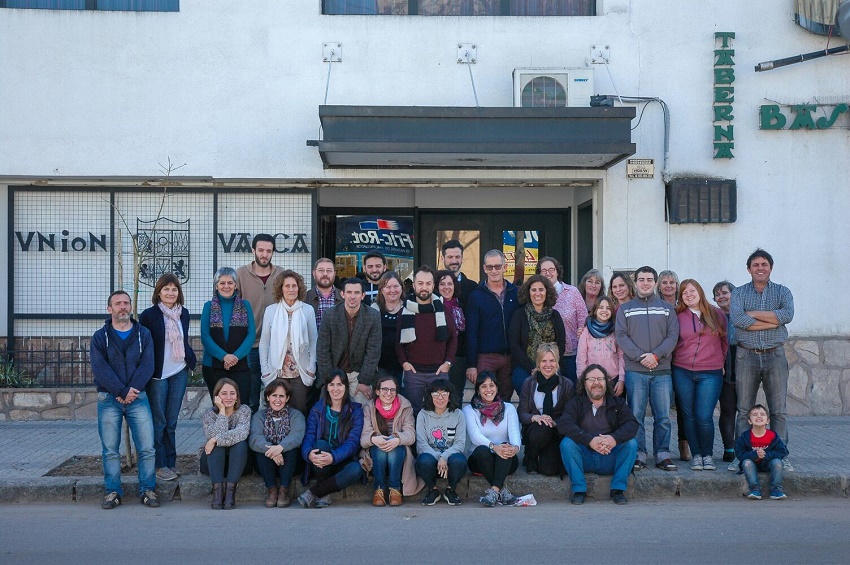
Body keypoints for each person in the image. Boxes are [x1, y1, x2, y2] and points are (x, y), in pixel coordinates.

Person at [90, 290, 158, 509]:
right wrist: (120, 390)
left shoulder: (143, 334)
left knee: (147, 447)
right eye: (118, 303)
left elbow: (148, 365)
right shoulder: (99, 337)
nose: (123, 307)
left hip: (138, 397)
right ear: (109, 309)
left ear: (131, 307)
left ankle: (148, 489)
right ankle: (113, 492)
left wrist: (132, 390)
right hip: (108, 399)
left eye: (126, 303)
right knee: (110, 449)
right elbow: (100, 369)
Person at [731, 248, 794, 471]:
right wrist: (772, 320)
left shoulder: (782, 291)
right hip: (746, 354)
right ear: (749, 269)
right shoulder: (738, 293)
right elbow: (738, 319)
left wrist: (753, 314)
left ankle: (780, 456)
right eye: (755, 265)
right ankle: (742, 457)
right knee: (743, 408)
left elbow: (787, 315)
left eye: (764, 264)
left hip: (774, 354)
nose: (760, 268)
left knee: (778, 410)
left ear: (770, 268)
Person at [615, 266, 679, 472]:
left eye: (649, 279)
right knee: (636, 415)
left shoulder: (667, 309)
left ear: (655, 283)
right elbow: (622, 337)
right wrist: (642, 357)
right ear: (635, 283)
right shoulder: (625, 309)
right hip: (636, 371)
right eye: (641, 279)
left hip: (661, 371)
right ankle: (639, 453)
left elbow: (672, 336)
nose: (645, 283)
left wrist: (656, 355)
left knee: (663, 417)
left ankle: (663, 453)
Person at [139, 273, 197, 483]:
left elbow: (184, 339)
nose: (171, 293)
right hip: (158, 375)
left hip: (178, 372)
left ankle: (171, 463)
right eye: (166, 289)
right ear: (158, 292)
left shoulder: (184, 314)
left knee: (171, 421)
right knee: (159, 421)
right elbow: (144, 346)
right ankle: (159, 464)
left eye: (174, 289)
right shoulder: (148, 315)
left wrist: (190, 359)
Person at [557, 365, 639, 505]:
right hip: (585, 457)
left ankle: (617, 490)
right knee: (567, 444)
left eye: (600, 379)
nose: (596, 383)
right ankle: (579, 490)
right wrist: (590, 440)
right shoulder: (576, 402)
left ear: (606, 382)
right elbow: (565, 424)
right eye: (591, 379)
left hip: (610, 456)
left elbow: (632, 424)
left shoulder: (617, 403)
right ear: (584, 383)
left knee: (631, 443)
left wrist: (613, 439)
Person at [672, 279, 728, 471]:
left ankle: (707, 455)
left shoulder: (716, 313)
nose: (689, 295)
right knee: (688, 415)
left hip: (710, 372)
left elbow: (724, 341)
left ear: (699, 292)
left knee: (703, 415)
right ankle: (696, 455)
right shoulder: (677, 316)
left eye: (692, 291)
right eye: (684, 293)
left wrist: (720, 362)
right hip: (682, 371)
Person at [298, 370, 365, 509]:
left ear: (346, 387)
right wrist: (308, 454)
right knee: (320, 444)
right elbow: (309, 436)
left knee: (356, 470)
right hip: (321, 461)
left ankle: (316, 492)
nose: (336, 389)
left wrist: (333, 457)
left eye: (339, 385)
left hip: (342, 459)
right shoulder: (317, 409)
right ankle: (324, 492)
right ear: (326, 387)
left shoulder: (355, 411)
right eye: (332, 384)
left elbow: (353, 443)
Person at [396, 266, 457, 414]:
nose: (424, 287)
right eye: (420, 283)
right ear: (414, 285)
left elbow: (453, 338)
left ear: (433, 286)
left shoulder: (442, 309)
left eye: (428, 283)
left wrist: (448, 363)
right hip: (413, 374)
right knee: (412, 412)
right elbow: (398, 342)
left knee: (440, 412)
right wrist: (404, 363)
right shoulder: (405, 310)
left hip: (439, 372)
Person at [258, 270, 317, 415]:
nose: (291, 289)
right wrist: (265, 369)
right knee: (276, 411)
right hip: (277, 371)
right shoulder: (271, 311)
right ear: (281, 289)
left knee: (299, 411)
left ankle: (298, 438)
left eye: (294, 286)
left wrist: (311, 367)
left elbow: (314, 340)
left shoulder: (307, 310)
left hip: (300, 372)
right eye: (287, 286)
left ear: (299, 288)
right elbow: (264, 342)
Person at [236, 234, 284, 413]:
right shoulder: (240, 274)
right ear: (253, 250)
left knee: (276, 393)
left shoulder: (281, 274)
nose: (265, 254)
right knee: (251, 394)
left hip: (276, 344)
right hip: (250, 344)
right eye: (261, 250)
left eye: (269, 251)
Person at [316, 277, 382, 405]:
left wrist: (364, 381)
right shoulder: (329, 315)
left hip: (359, 374)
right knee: (328, 411)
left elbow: (373, 352)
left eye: (357, 293)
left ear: (363, 295)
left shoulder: (373, 316)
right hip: (335, 371)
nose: (353, 296)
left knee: (363, 410)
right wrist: (330, 380)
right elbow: (322, 350)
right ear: (342, 294)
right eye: (349, 292)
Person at [465, 250, 520, 401]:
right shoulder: (476, 296)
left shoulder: (516, 293)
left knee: (505, 399)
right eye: (490, 267)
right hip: (485, 357)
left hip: (510, 357)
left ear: (505, 267)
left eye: (497, 266)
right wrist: (471, 364)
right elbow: (471, 332)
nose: (494, 270)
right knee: (484, 399)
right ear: (484, 268)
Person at [360, 375, 423, 507]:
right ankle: (379, 489)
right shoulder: (369, 408)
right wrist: (373, 439)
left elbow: (411, 435)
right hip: (376, 455)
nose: (389, 393)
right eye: (384, 389)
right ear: (377, 391)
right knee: (379, 449)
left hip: (399, 455)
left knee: (396, 447)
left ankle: (395, 490)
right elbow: (364, 439)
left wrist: (397, 439)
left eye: (392, 390)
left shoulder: (405, 406)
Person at [463, 371, 521, 507]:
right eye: (484, 386)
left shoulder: (509, 408)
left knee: (506, 445)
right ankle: (503, 492)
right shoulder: (469, 410)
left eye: (492, 385)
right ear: (478, 390)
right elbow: (475, 436)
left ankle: (495, 491)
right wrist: (494, 447)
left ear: (497, 388)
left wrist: (515, 448)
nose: (488, 390)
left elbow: (514, 433)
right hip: (479, 461)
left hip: (506, 460)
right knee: (482, 449)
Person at [201, 267, 256, 405]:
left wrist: (235, 357)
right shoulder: (208, 306)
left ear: (236, 285)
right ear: (216, 286)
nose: (226, 286)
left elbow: (251, 334)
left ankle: (240, 428)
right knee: (220, 406)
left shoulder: (245, 305)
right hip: (213, 367)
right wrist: (224, 356)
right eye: (222, 283)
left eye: (230, 283)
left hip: (241, 365)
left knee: (241, 405)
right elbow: (205, 336)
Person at [517, 343, 575, 475]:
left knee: (549, 470)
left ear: (557, 362)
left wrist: (555, 422)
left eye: (552, 360)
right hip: (534, 430)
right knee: (542, 427)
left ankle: (544, 455)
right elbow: (522, 413)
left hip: (556, 431)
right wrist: (535, 417)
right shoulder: (529, 383)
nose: (548, 365)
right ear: (538, 363)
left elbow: (570, 415)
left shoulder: (567, 385)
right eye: (544, 361)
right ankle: (531, 456)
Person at [249, 378, 306, 508]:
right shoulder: (259, 416)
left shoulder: (296, 415)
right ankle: (272, 490)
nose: (277, 399)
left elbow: (297, 436)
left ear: (287, 398)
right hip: (266, 465)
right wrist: (273, 451)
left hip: (291, 464)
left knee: (291, 449)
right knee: (261, 450)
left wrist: (280, 448)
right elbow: (255, 438)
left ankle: (284, 491)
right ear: (268, 397)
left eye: (281, 396)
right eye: (274, 395)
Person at [508, 274, 566, 396]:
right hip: (525, 367)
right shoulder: (519, 315)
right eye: (533, 290)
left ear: (547, 292)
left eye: (541, 289)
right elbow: (514, 345)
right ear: (528, 293)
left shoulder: (555, 316)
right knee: (524, 386)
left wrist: (548, 365)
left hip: (551, 366)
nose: (537, 293)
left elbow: (561, 343)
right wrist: (533, 368)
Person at [200, 378, 251, 510]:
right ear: (217, 396)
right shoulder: (209, 414)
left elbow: (242, 433)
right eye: (224, 393)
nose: (228, 397)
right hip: (213, 463)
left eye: (232, 393)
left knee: (240, 445)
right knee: (217, 447)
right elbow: (212, 434)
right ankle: (217, 494)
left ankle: (230, 494)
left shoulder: (244, 410)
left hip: (238, 464)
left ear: (237, 396)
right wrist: (222, 411)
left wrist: (214, 439)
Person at [415, 379, 467, 506]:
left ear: (450, 397)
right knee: (423, 461)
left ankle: (451, 490)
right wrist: (439, 457)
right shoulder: (423, 415)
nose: (440, 398)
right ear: (430, 397)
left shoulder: (458, 414)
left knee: (459, 461)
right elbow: (421, 444)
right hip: (431, 458)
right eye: (435, 394)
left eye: (444, 394)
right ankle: (433, 490)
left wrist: (445, 456)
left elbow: (460, 443)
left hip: (450, 458)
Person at [536, 257, 588, 383]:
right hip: (546, 356)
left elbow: (583, 318)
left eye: (551, 269)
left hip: (570, 353)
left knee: (572, 390)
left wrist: (581, 333)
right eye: (544, 270)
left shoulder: (572, 292)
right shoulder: (537, 295)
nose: (548, 273)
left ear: (557, 271)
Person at [658, 270, 692, 462]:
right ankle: (662, 448)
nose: (669, 285)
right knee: (662, 409)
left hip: (681, 361)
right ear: (659, 286)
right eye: (665, 282)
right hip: (661, 361)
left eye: (672, 282)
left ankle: (684, 444)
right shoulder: (655, 305)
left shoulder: (684, 306)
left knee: (682, 406)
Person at [734, 404, 789, 500]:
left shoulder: (773, 436)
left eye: (762, 414)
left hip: (769, 462)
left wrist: (767, 455)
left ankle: (776, 490)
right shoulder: (745, 436)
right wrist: (754, 454)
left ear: (768, 420)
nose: (759, 416)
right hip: (752, 463)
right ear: (749, 421)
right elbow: (739, 454)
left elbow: (782, 451)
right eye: (754, 414)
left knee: (778, 463)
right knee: (746, 462)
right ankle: (755, 489)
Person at [576, 296, 625, 396]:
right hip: (592, 380)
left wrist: (621, 379)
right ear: (595, 310)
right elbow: (581, 357)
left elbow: (622, 356)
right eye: (601, 307)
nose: (604, 311)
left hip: (613, 379)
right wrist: (583, 380)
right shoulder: (586, 331)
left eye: (608, 308)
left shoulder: (616, 330)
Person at [713, 280, 738, 464]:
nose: (721, 296)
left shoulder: (742, 315)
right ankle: (729, 449)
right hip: (723, 370)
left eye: (724, 293)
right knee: (728, 410)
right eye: (717, 294)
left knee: (745, 411)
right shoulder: (713, 317)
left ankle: (745, 447)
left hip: (743, 368)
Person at [436, 269, 467, 405]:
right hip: (438, 358)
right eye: (442, 284)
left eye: (450, 284)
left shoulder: (462, 306)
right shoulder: (432, 306)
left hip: (458, 358)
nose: (447, 287)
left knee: (456, 395)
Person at [371, 271, 405, 389]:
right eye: (388, 287)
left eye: (396, 286)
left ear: (401, 288)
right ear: (381, 290)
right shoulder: (374, 309)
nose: (392, 290)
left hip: (404, 367)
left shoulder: (409, 308)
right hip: (380, 367)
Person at [306, 257, 342, 328]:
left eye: (329, 271)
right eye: (321, 270)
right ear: (314, 273)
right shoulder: (304, 298)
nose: (325, 274)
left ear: (334, 274)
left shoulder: (344, 297)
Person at [441, 239, 478, 306]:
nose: (454, 261)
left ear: (462, 259)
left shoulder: (473, 287)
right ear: (442, 259)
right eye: (450, 257)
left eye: (457, 257)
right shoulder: (436, 286)